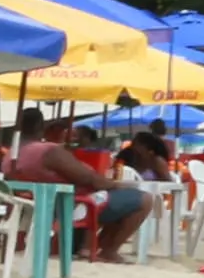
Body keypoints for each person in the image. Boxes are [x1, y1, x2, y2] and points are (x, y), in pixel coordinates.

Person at [8, 111, 142, 261]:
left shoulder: (11, 153)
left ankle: (91, 246)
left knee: (107, 199)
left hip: (32, 201)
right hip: (65, 203)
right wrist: (115, 185)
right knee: (143, 199)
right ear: (42, 127)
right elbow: (89, 179)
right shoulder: (49, 151)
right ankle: (108, 250)